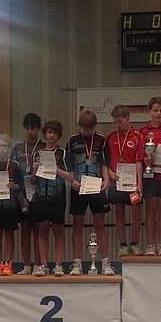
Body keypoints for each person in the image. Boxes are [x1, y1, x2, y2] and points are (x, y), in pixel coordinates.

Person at [66, 109, 114, 275]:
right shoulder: (72, 140)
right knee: (77, 224)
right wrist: (72, 180)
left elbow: (105, 163)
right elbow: (69, 165)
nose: (88, 131)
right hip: (78, 187)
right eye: (86, 128)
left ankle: (106, 263)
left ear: (95, 126)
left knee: (100, 224)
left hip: (97, 186)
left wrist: (106, 180)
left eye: (91, 128)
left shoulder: (101, 140)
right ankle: (77, 263)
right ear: (81, 126)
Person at [29, 121, 73, 276]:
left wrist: (56, 169)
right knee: (42, 231)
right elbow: (32, 181)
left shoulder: (63, 153)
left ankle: (59, 265)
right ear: (45, 134)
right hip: (41, 198)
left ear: (58, 135)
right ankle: (44, 265)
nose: (51, 135)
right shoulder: (37, 154)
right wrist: (34, 170)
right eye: (49, 132)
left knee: (58, 231)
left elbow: (70, 177)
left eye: (54, 132)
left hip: (58, 197)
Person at [106, 104, 144, 256]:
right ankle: (123, 245)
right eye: (115, 122)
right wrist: (109, 172)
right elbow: (106, 161)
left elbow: (139, 161)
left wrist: (140, 184)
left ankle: (134, 243)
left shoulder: (138, 136)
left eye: (120, 121)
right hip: (116, 181)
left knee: (136, 212)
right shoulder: (110, 137)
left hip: (133, 183)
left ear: (127, 118)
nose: (117, 125)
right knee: (119, 212)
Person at [0, 134, 24, 275]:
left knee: (9, 234)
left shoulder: (15, 165)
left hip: (10, 205)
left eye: (5, 146)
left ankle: (8, 263)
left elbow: (21, 185)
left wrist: (14, 186)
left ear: (8, 148)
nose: (2, 148)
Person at [11, 113, 44, 274]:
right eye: (27, 128)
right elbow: (12, 171)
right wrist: (17, 193)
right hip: (22, 194)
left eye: (33, 128)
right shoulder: (17, 149)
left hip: (39, 193)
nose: (30, 131)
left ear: (38, 129)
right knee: (25, 229)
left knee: (38, 229)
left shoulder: (43, 147)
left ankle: (38, 264)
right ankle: (26, 265)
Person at [140, 97, 161, 255]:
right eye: (155, 110)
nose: (158, 113)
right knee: (151, 210)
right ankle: (151, 245)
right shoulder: (143, 132)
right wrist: (145, 159)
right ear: (149, 111)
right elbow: (139, 154)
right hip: (150, 176)